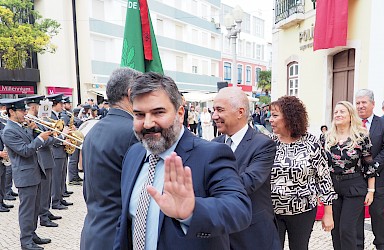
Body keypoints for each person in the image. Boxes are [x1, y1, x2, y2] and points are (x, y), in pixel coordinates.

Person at [114, 72, 251, 249]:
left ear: (180, 113)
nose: (147, 123)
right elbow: (125, 222)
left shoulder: (211, 154)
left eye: (158, 112)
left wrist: (192, 210)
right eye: (139, 115)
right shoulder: (133, 154)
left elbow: (239, 209)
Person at [80, 68, 141, 250]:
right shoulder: (132, 131)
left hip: (93, 232)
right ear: (130, 93)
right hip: (117, 237)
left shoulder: (94, 130)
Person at [212, 87, 280, 249]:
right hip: (221, 234)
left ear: (240, 112)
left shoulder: (263, 144)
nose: (214, 116)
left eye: (220, 110)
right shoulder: (213, 145)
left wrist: (211, 186)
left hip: (253, 234)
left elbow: (249, 182)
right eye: (213, 110)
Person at [268, 96, 335, 250]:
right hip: (272, 212)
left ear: (290, 117)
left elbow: (324, 178)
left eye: (275, 115)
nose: (270, 119)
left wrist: (328, 212)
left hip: (303, 211)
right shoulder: (268, 142)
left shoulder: (311, 143)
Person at [1, 98, 55, 250]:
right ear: (11, 112)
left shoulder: (20, 126)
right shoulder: (8, 130)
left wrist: (33, 130)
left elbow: (29, 143)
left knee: (35, 207)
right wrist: (39, 138)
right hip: (25, 175)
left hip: (34, 172)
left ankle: (32, 234)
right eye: (22, 111)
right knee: (27, 210)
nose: (25, 113)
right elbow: (25, 151)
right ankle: (26, 241)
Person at [326, 101, 378, 250]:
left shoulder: (361, 137)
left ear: (350, 115)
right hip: (333, 186)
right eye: (336, 112)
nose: (338, 114)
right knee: (335, 230)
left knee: (347, 229)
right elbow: (322, 166)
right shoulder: (326, 138)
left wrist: (371, 190)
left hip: (354, 185)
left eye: (342, 111)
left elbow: (369, 164)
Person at [355, 89, 384, 250]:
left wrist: (371, 168)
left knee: (377, 213)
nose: (360, 106)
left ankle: (380, 243)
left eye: (364, 102)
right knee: (357, 214)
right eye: (357, 103)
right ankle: (358, 245)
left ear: (373, 104)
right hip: (355, 179)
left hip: (378, 177)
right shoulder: (352, 124)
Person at [25, 96, 62, 228]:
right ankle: (44, 216)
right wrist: (58, 137)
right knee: (44, 189)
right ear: (34, 107)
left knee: (47, 188)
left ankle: (45, 211)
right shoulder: (29, 121)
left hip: (47, 157)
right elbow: (42, 140)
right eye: (40, 106)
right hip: (42, 157)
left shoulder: (38, 120)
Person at [46, 94, 73, 210]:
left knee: (61, 176)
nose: (63, 106)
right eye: (61, 104)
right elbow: (51, 135)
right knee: (56, 178)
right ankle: (55, 201)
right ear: (55, 104)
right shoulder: (49, 117)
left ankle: (60, 197)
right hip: (56, 150)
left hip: (61, 150)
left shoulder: (58, 116)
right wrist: (63, 138)